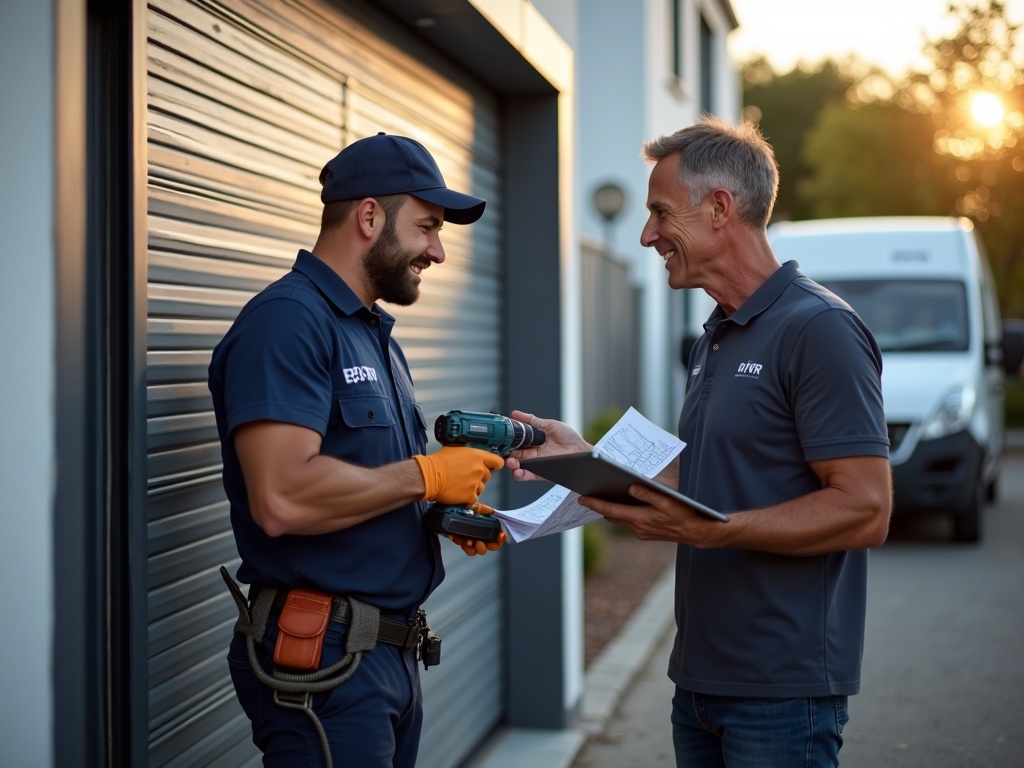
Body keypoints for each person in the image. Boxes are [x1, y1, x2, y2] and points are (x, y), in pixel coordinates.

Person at [507, 116, 892, 768]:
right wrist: (580, 460)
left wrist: (719, 531)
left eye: (660, 212)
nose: (646, 234)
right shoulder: (717, 332)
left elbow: (866, 508)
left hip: (782, 692)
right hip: (700, 681)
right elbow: (706, 473)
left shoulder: (818, 330)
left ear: (720, 209)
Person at [208, 132, 506, 768]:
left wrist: (436, 516)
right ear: (369, 216)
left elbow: (364, 482)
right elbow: (282, 498)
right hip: (324, 660)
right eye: (427, 227)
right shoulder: (287, 323)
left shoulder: (373, 335)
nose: (439, 250)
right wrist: (427, 475)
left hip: (383, 656)